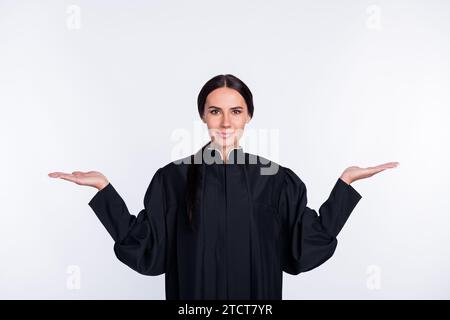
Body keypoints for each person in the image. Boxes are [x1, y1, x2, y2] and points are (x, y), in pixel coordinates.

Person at [48, 74, 399, 300]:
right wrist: (103, 189)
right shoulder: (173, 179)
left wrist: (345, 184)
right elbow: (148, 248)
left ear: (249, 116)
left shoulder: (276, 179)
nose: (226, 121)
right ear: (203, 115)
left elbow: (306, 243)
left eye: (236, 111)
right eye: (216, 111)